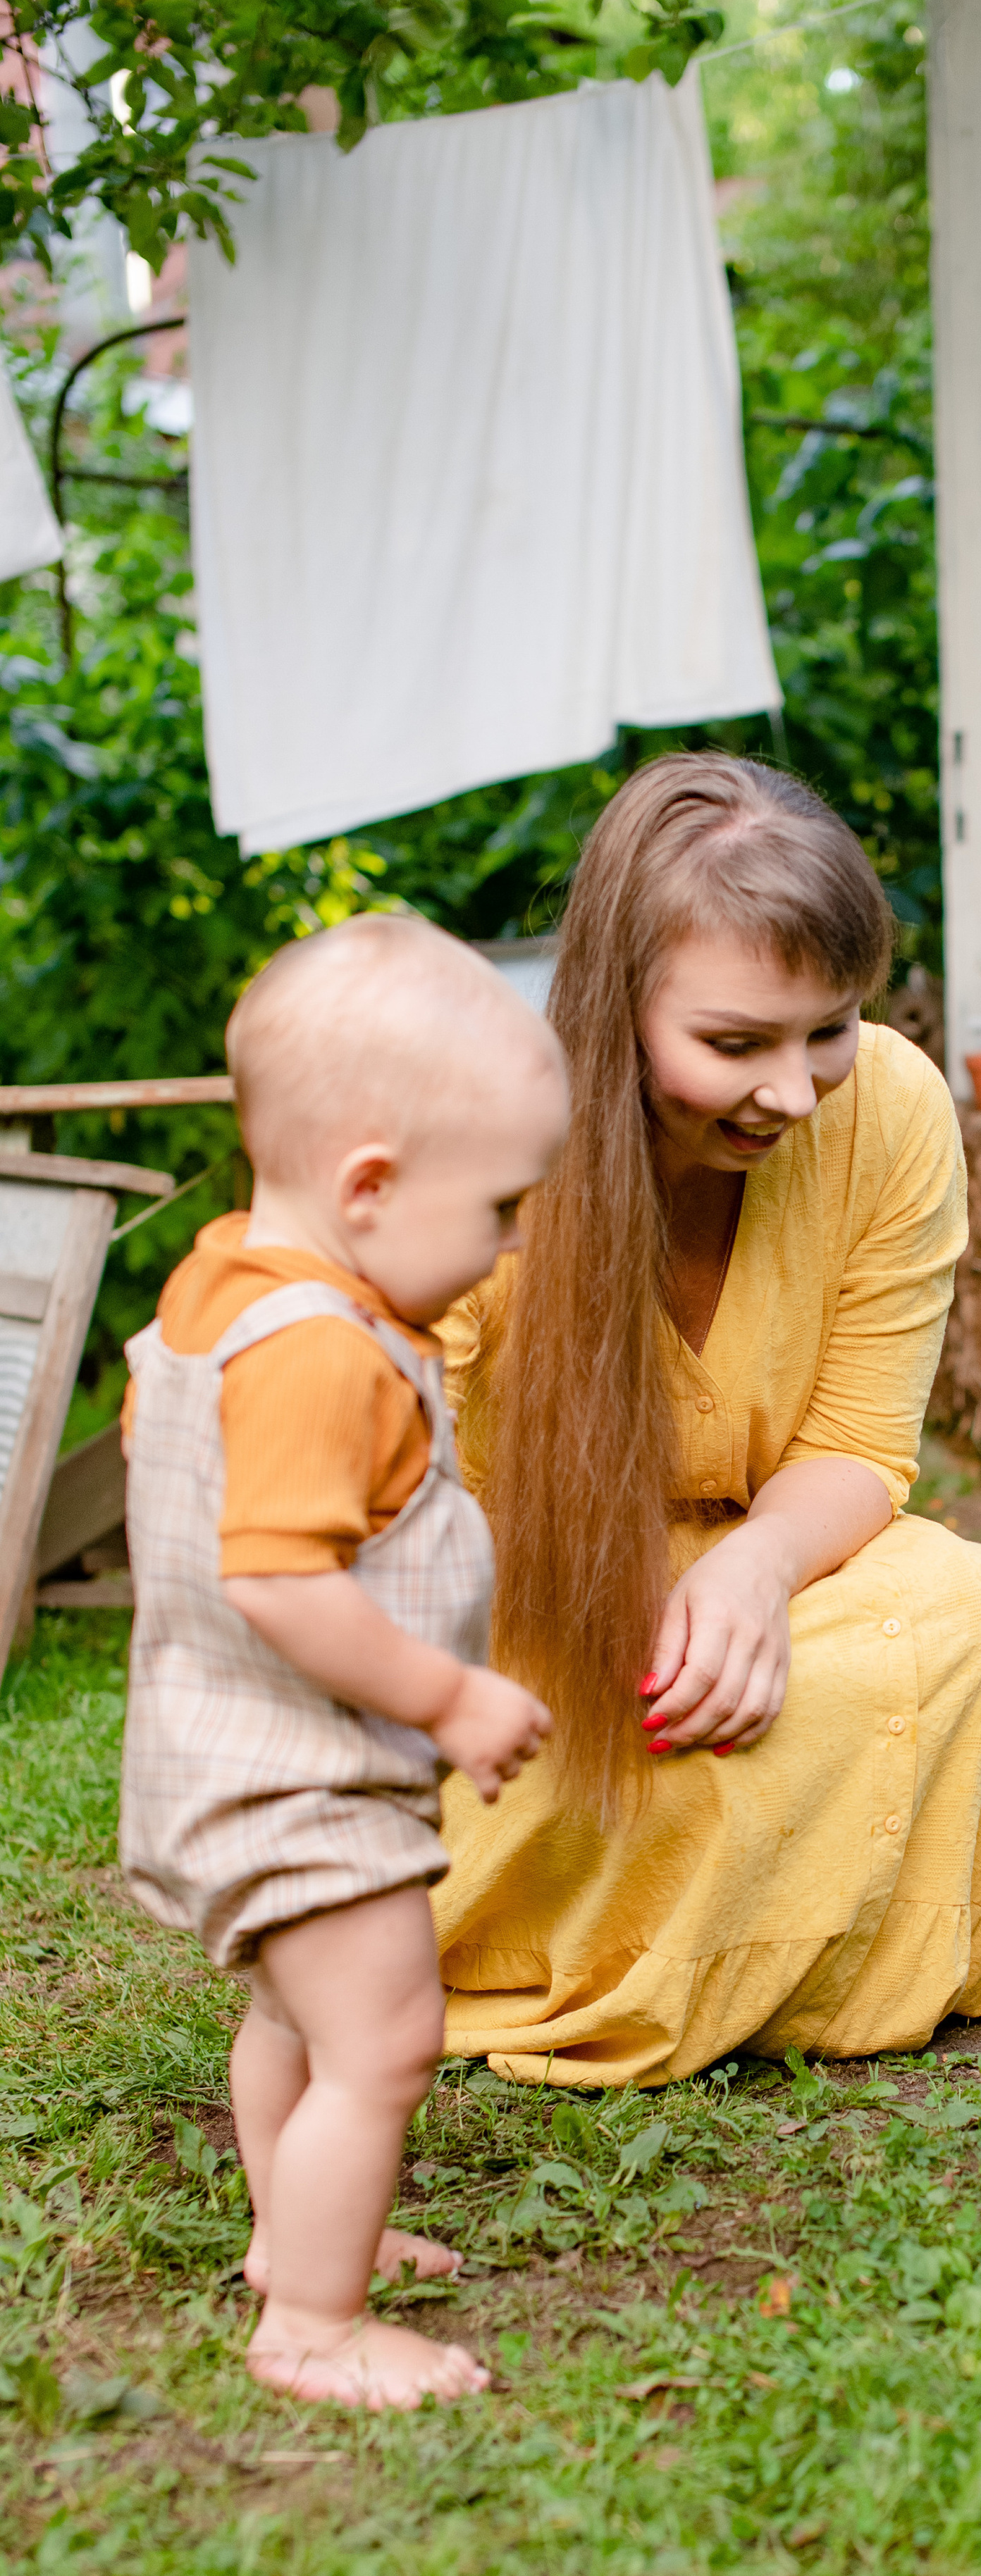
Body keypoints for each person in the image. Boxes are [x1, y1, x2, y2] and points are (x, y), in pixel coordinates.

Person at [433, 753, 981, 2085]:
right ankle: (697, 1930)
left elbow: (861, 1445)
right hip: (502, 1612)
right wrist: (592, 1604)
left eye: (830, 1031)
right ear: (616, 1010)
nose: (795, 1091)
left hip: (776, 1564)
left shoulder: (898, 1107)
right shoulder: (483, 1135)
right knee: (573, 1730)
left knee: (955, 1604)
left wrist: (751, 1570)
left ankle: (717, 1925)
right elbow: (390, 1481)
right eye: (735, 1044)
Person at [119, 914, 569, 2410]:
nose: (508, 1242)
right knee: (385, 2034)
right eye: (499, 1206)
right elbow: (273, 1574)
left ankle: (297, 2231)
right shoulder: (320, 1353)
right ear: (368, 1187)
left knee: (297, 2019)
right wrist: (449, 1694)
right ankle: (311, 2321)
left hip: (221, 1748)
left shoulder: (225, 1284)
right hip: (291, 1767)